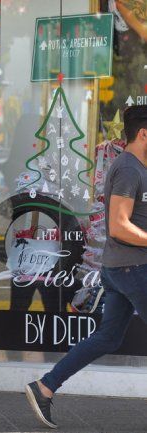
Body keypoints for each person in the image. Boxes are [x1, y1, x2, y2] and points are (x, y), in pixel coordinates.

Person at [25, 106, 147, 430]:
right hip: (131, 268)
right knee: (107, 337)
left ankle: (44, 387)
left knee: (107, 338)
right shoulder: (128, 169)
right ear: (143, 134)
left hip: (122, 267)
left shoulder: (137, 167)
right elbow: (119, 226)